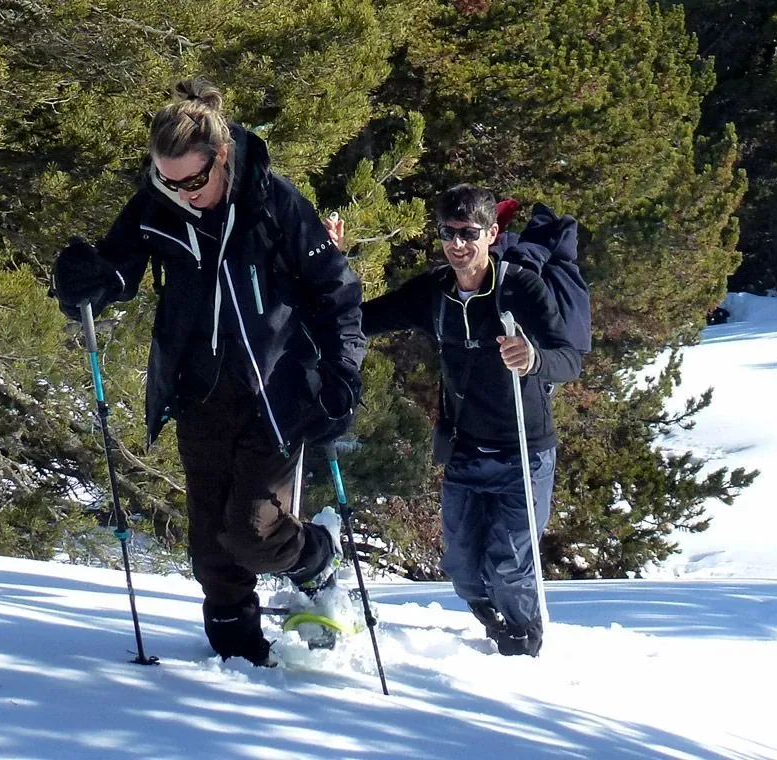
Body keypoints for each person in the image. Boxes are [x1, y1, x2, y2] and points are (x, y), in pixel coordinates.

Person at [51, 79, 364, 666]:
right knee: (210, 552)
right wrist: (85, 284)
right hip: (198, 387)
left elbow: (337, 293)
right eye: (167, 179)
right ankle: (239, 656)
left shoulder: (273, 203)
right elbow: (120, 267)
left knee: (252, 534)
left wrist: (343, 375)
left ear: (221, 159)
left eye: (192, 180)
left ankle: (317, 561)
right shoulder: (159, 197)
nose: (180, 192)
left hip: (277, 389)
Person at [352, 184, 583, 656]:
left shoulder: (522, 287)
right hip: (466, 448)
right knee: (460, 566)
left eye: (468, 233)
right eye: (448, 232)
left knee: (511, 564)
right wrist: (324, 277)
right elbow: (363, 318)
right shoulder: (434, 292)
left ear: (491, 232)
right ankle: (488, 614)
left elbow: (569, 360)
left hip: (525, 451)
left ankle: (523, 645)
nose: (457, 244)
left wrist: (534, 358)